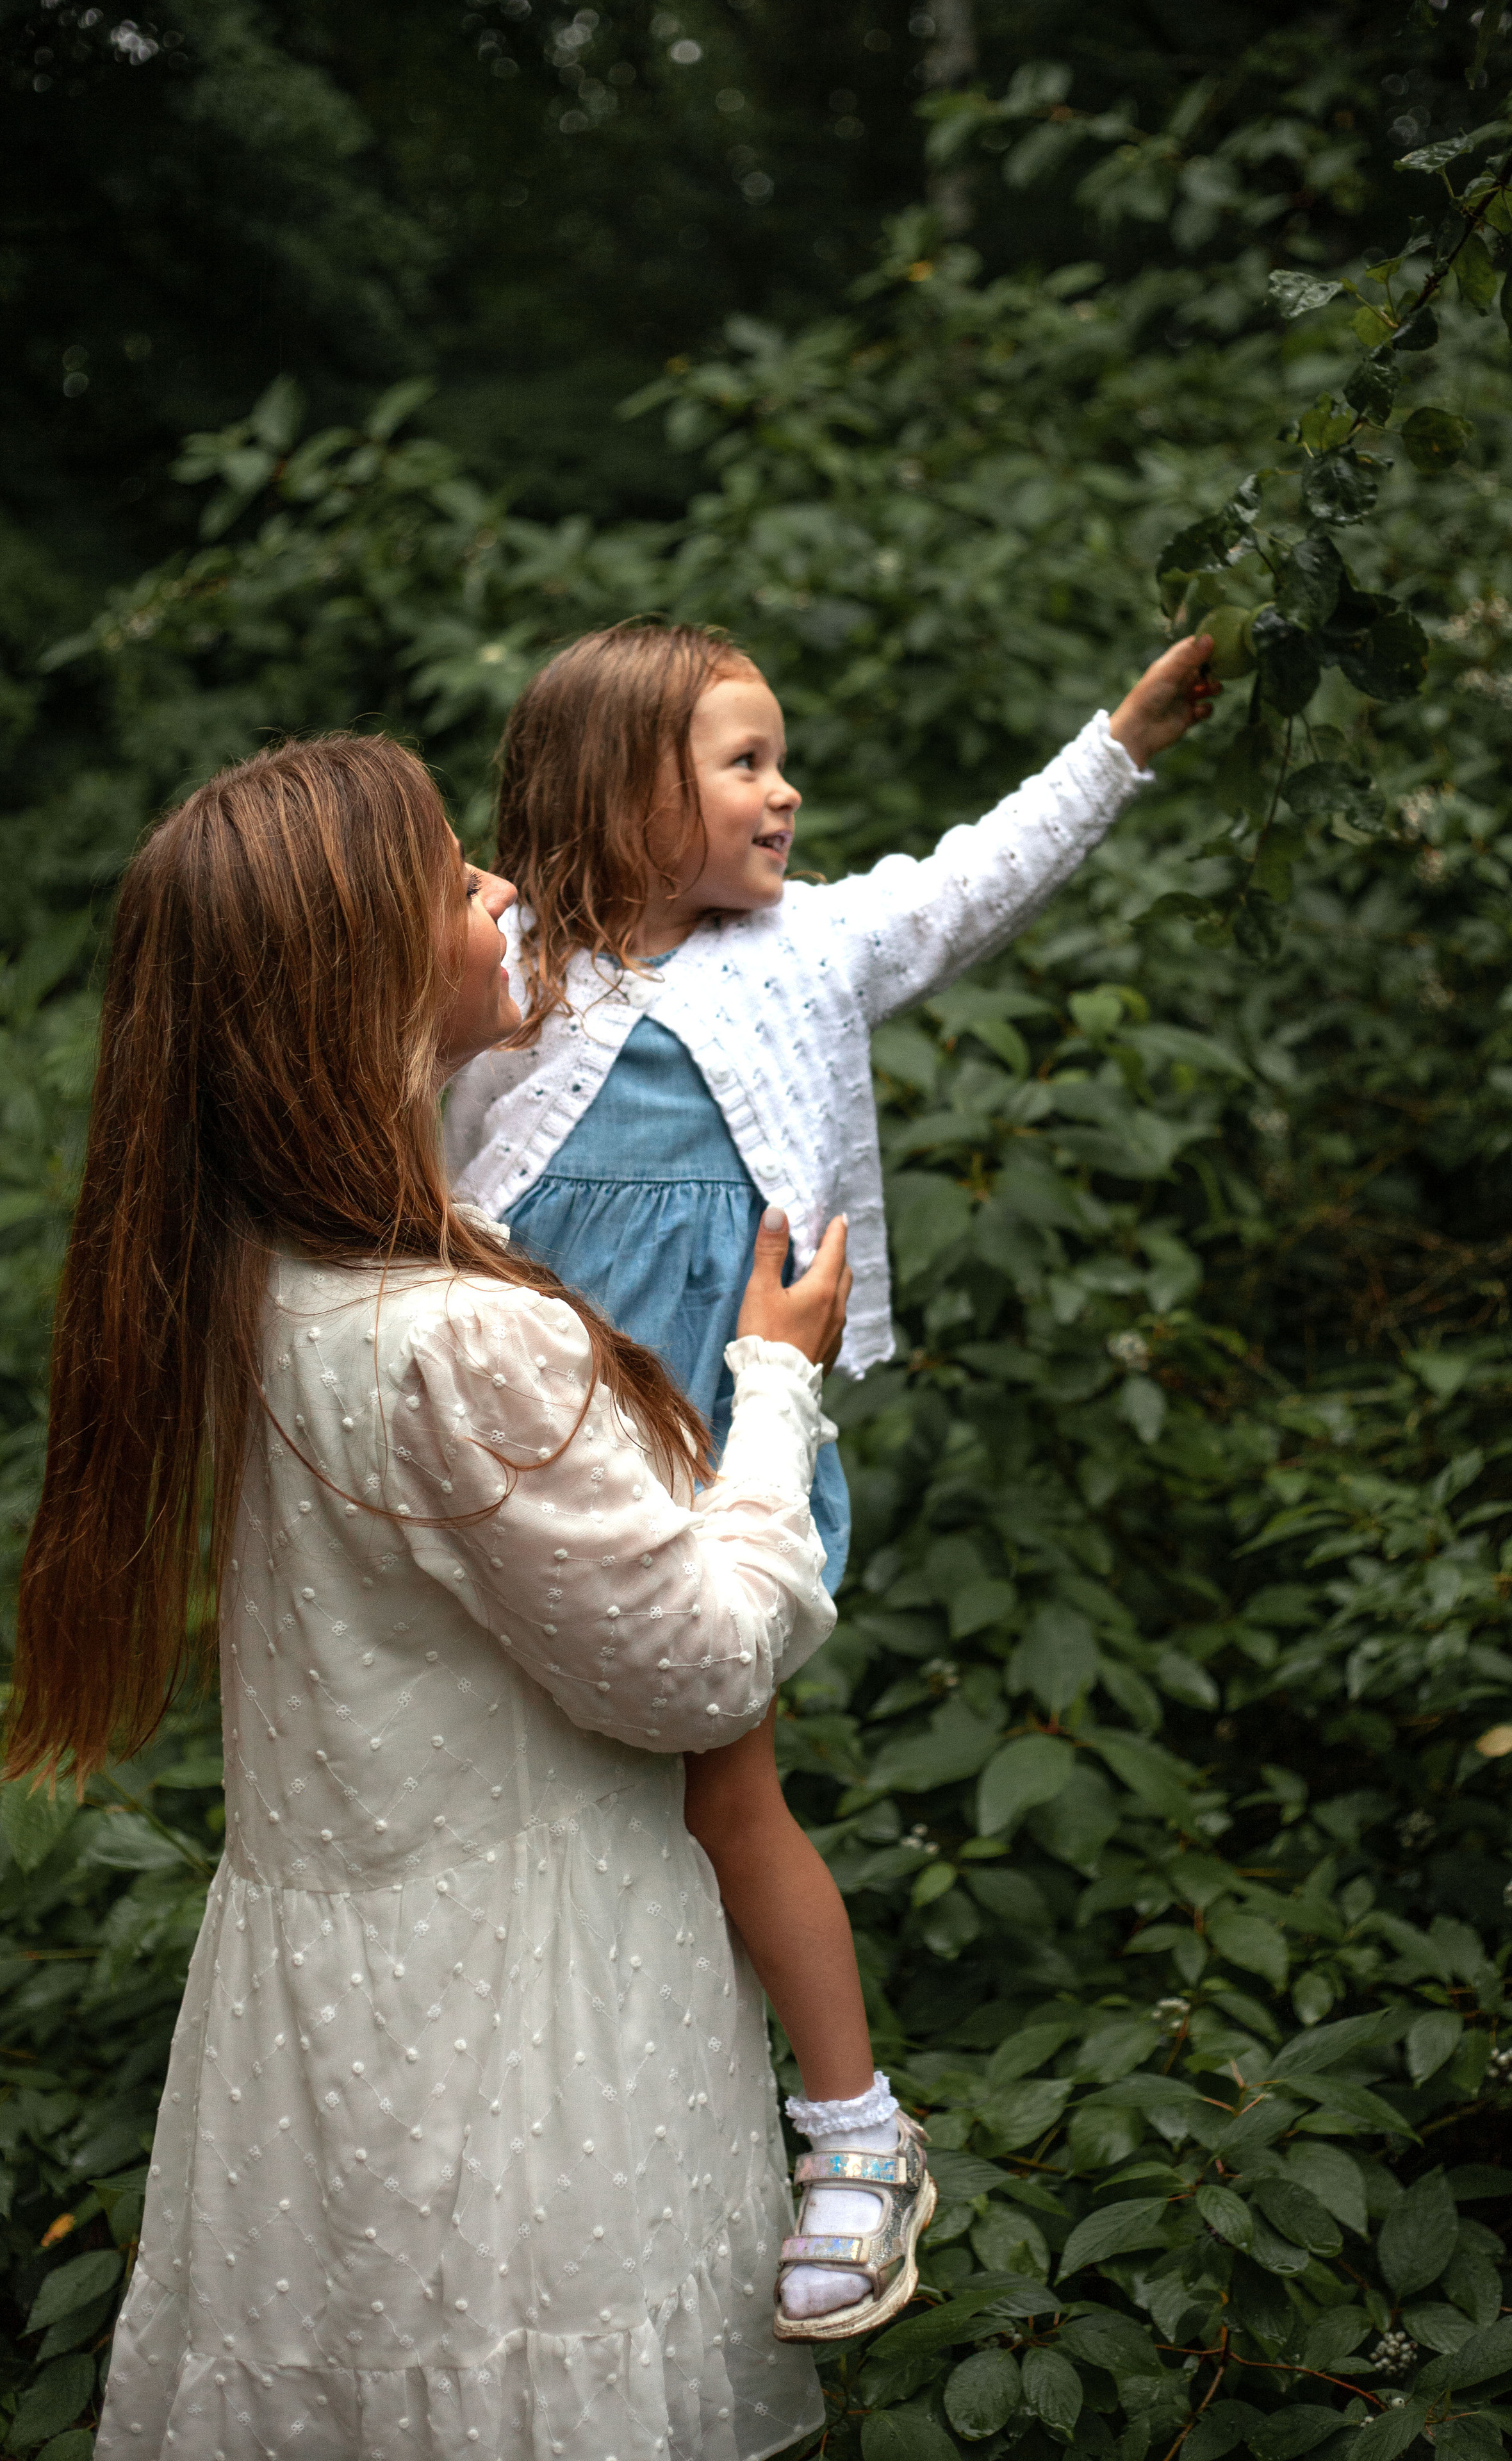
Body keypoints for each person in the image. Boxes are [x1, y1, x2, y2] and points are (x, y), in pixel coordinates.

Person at [7, 733, 871, 2461]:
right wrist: (777, 1385)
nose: (501, 895)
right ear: (363, 977)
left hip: (337, 2031)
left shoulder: (257, 1285)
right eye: (456, 877)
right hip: (524, 2048)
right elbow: (702, 1669)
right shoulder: (463, 1340)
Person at [441, 618, 1217, 2331]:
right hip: (520, 1467)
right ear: (618, 795)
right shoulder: (498, 993)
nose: (785, 791)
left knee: (729, 1798)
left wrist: (1126, 740)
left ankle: (858, 2137)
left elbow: (962, 886)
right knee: (536, 1817)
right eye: (743, 763)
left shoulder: (800, 954)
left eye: (778, 758)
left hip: (723, 1462)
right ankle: (550, 2148)